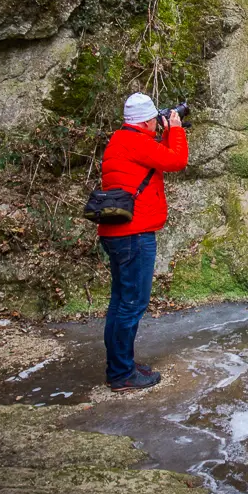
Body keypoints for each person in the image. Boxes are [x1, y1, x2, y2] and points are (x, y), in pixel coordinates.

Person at [98, 92, 188, 391]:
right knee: (132, 305)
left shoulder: (122, 140)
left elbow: (154, 162)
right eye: (155, 119)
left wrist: (162, 134)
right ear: (148, 120)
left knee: (121, 303)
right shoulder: (135, 142)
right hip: (134, 235)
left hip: (118, 234)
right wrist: (174, 128)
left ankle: (120, 365)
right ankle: (122, 374)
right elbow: (176, 161)